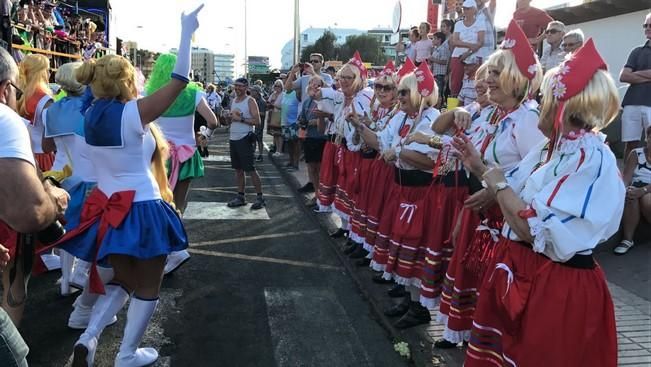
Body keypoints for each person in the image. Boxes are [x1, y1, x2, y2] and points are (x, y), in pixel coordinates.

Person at [40, 6, 203, 366]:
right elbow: (178, 79)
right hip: (143, 209)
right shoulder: (132, 114)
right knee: (148, 286)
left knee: (123, 281)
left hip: (108, 210)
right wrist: (186, 32)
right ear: (126, 81)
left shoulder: (90, 113)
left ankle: (89, 337)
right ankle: (126, 354)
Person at [458, 38, 623, 367]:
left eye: (546, 96)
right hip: (530, 274)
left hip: (555, 286)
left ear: (562, 105)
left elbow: (534, 229)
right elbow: (511, 188)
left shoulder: (589, 157)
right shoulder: (557, 147)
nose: (539, 103)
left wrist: (494, 180)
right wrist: (482, 171)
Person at [433, 20, 545, 349]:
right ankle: (471, 339)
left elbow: (534, 180)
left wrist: (493, 189)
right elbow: (445, 132)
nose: (488, 79)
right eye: (489, 72)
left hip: (504, 222)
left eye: (497, 72)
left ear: (518, 79)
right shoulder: (494, 114)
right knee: (476, 281)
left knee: (494, 287)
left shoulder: (528, 120)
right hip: (483, 213)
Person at [348, 62, 441, 329]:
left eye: (403, 92)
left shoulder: (432, 118)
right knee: (401, 243)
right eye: (398, 92)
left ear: (419, 94)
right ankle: (410, 300)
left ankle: (419, 306)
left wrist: (400, 152)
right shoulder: (402, 118)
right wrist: (359, 126)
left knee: (416, 247)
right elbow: (380, 143)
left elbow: (431, 163)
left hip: (421, 192)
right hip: (402, 189)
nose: (399, 97)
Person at [0, 45, 69, 366]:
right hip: (25, 169)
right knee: (15, 356)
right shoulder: (7, 116)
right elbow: (30, 213)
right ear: (4, 89)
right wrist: (51, 201)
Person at [144, 53, 218, 276]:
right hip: (186, 155)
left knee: (158, 204)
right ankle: (175, 249)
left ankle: (166, 251)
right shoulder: (194, 94)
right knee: (178, 204)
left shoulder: (151, 95)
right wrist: (204, 134)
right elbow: (213, 121)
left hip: (159, 157)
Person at [309, 52, 373, 239]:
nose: (343, 81)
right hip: (339, 148)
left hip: (356, 153)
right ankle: (346, 227)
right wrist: (314, 88)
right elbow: (324, 94)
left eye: (348, 77)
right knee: (341, 188)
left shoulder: (366, 97)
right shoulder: (341, 95)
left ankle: (354, 232)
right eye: (341, 77)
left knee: (353, 191)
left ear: (359, 78)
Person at [224, 77, 265, 210]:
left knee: (250, 169)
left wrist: (240, 119)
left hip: (245, 138)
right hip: (233, 138)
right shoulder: (233, 100)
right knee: (238, 170)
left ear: (246, 88)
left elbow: (257, 121)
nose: (237, 88)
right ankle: (241, 196)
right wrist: (228, 118)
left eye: (240, 86)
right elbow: (231, 121)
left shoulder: (250, 101)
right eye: (236, 86)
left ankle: (260, 197)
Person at [619, 12, 651, 160]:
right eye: (645, 25)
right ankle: (626, 179)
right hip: (632, 103)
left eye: (650, 25)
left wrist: (636, 75)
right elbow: (624, 76)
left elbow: (630, 75)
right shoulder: (637, 51)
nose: (647, 28)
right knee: (631, 145)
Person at [615, 126, 651, 255]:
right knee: (630, 194)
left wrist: (644, 190)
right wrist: (623, 190)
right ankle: (627, 239)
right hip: (636, 187)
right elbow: (626, 178)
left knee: (647, 200)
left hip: (648, 189)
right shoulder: (636, 153)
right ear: (647, 138)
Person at [17, 53, 54, 171]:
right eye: (48, 70)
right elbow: (49, 142)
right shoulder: (45, 100)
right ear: (41, 72)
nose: (49, 74)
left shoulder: (15, 94)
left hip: (20, 154)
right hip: (42, 157)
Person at [296, 75, 328, 201]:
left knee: (321, 169)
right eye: (312, 84)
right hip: (309, 137)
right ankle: (317, 194)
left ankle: (322, 196)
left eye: (318, 85)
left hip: (322, 138)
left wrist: (310, 122)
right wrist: (302, 122)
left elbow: (327, 118)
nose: (314, 87)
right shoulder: (307, 101)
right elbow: (301, 118)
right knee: (311, 168)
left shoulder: (324, 101)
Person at [449, 0, 485, 103]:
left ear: (474, 10)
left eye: (468, 9)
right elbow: (455, 41)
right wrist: (470, 46)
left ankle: (475, 110)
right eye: (464, 8)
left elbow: (481, 42)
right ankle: (452, 111)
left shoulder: (480, 22)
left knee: (475, 85)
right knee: (455, 85)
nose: (465, 11)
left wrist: (467, 53)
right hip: (458, 56)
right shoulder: (459, 24)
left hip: (475, 56)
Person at [431, 32, 450, 106]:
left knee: (439, 91)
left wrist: (433, 59)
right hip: (435, 73)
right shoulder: (435, 49)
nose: (433, 40)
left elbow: (445, 61)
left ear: (439, 40)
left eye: (435, 39)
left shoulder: (443, 49)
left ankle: (439, 106)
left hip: (440, 74)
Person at [267, 79, 284, 154]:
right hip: (272, 114)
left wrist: (273, 104)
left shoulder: (283, 94)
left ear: (281, 87)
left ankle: (279, 150)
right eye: (275, 86)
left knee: (279, 134)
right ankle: (276, 149)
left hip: (279, 115)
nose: (277, 87)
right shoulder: (272, 94)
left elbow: (283, 106)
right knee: (274, 134)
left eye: (278, 86)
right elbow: (268, 103)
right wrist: (269, 104)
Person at [250, 85, 266, 162]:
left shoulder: (261, 101)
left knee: (259, 139)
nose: (251, 92)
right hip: (252, 123)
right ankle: (252, 154)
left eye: (253, 91)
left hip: (259, 123)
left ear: (257, 92)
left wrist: (254, 112)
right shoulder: (253, 100)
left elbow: (263, 113)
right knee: (252, 139)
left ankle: (261, 155)